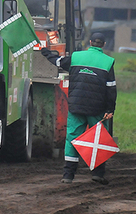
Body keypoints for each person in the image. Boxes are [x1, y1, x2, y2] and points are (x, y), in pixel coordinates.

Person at [41, 32, 117, 185]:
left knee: (72, 138)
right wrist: (110, 109)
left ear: (89, 42)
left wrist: (45, 52)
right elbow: (111, 89)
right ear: (104, 44)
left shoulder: (76, 57)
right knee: (98, 139)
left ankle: (68, 175)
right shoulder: (108, 62)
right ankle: (97, 173)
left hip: (76, 106)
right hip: (97, 109)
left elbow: (57, 62)